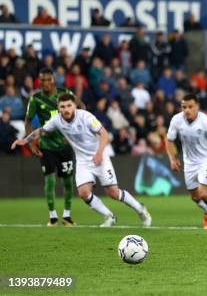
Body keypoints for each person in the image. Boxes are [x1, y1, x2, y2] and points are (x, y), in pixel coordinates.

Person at [13, 93, 152, 228]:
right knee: (83, 193)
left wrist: (99, 153)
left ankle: (141, 209)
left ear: (74, 106)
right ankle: (109, 216)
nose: (66, 109)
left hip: (100, 157)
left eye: (69, 105)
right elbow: (40, 131)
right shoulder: (56, 120)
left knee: (113, 193)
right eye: (62, 106)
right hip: (83, 161)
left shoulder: (85, 117)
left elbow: (104, 134)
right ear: (58, 108)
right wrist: (25, 140)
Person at [24, 69, 78, 226]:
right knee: (50, 180)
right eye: (42, 81)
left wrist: (74, 134)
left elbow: (80, 107)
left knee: (68, 182)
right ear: (39, 82)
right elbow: (28, 121)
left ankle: (67, 216)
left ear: (53, 80)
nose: (45, 83)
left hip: (65, 145)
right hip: (46, 146)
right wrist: (29, 143)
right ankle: (53, 217)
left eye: (48, 80)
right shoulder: (35, 99)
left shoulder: (64, 93)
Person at [165, 93, 207, 229]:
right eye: (184, 107)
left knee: (204, 193)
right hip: (190, 163)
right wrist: (172, 159)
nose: (187, 110)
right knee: (195, 197)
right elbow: (169, 140)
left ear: (197, 106)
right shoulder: (176, 120)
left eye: (190, 107)